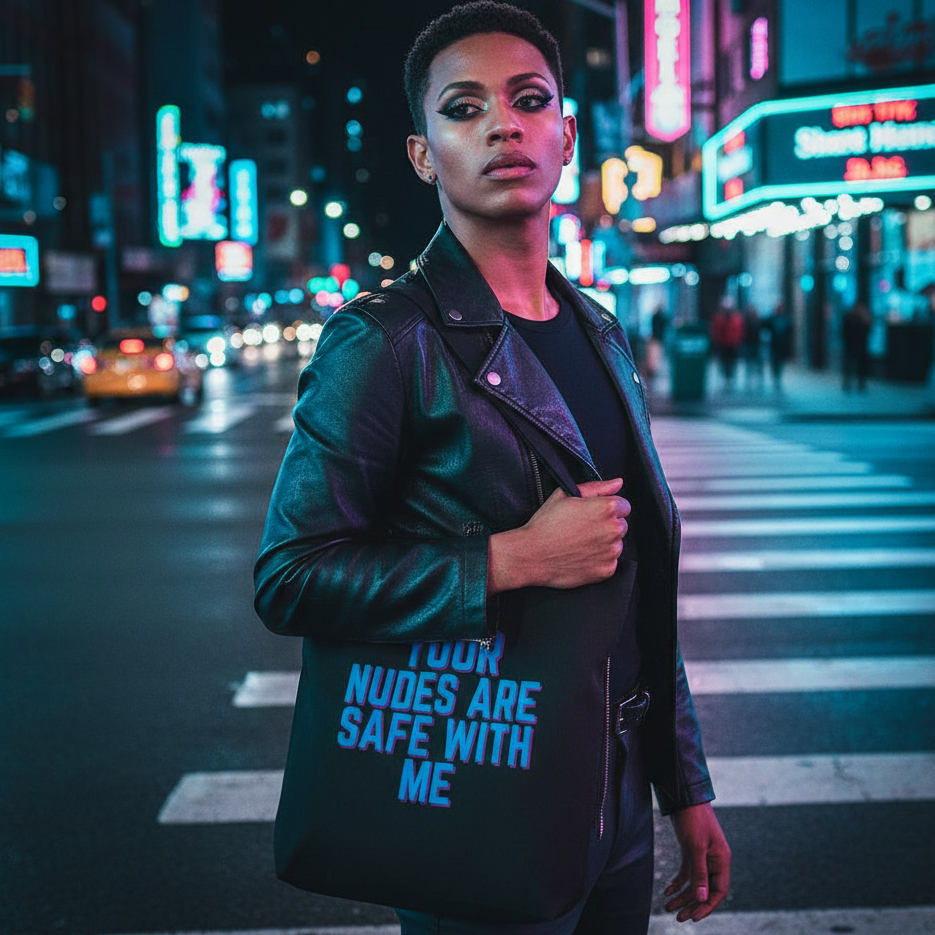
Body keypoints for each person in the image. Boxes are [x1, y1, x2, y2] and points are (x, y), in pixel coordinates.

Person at [254, 4, 730, 934]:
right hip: (484, 782)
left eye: (528, 100)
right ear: (424, 154)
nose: (501, 125)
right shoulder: (386, 337)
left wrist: (683, 784)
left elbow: (636, 586)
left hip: (617, 790)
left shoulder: (596, 326)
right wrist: (509, 559)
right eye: (463, 108)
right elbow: (291, 575)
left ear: (566, 136)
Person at [710, 300, 744, 388]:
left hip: (733, 344)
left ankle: (730, 377)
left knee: (732, 362)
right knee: (723, 361)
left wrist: (738, 340)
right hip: (722, 344)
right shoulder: (719, 318)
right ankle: (725, 377)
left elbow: (740, 330)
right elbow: (715, 330)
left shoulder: (737, 318)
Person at [842, 301, 871, 391]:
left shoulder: (863, 318)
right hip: (851, 345)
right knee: (849, 365)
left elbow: (867, 331)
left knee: (860, 365)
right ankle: (848, 383)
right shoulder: (850, 317)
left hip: (860, 346)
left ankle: (860, 383)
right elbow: (845, 331)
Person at [764, 302, 793, 391]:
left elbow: (790, 331)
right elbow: (765, 325)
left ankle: (778, 377)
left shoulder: (786, 319)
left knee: (780, 362)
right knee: (774, 362)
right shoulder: (772, 318)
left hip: (782, 345)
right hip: (774, 345)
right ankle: (775, 377)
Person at [742, 304, 763, 388]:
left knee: (758, 363)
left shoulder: (759, 320)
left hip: (757, 344)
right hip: (748, 344)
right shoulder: (746, 320)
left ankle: (759, 380)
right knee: (749, 363)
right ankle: (749, 380)